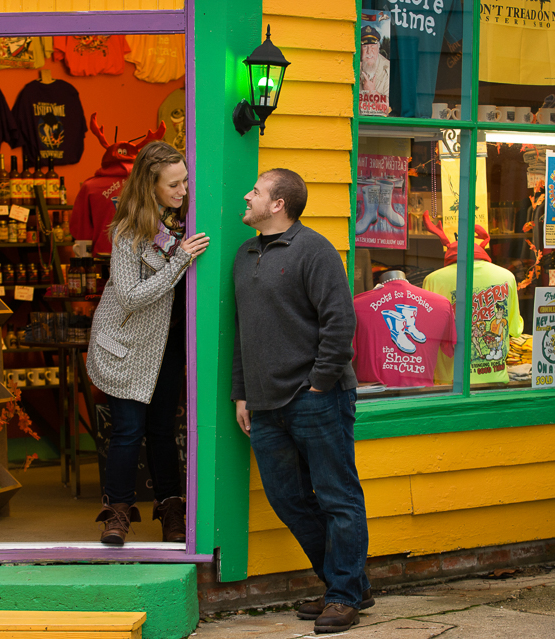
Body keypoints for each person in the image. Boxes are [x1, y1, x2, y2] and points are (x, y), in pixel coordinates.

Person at [232, 169, 374, 633]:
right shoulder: (245, 254)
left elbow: (340, 323)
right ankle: (347, 583)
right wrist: (242, 393)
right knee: (289, 500)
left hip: (317, 399)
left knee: (338, 497)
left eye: (255, 191)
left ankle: (344, 596)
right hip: (265, 404)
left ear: (278, 204)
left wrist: (319, 383)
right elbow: (243, 334)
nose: (247, 196)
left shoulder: (314, 250)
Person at [87, 141, 209, 546]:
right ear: (150, 186)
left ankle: (171, 510)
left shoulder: (185, 222)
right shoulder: (128, 233)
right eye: (173, 185)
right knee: (127, 430)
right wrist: (180, 262)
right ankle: (117, 514)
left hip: (169, 344)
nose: (182, 191)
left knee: (162, 429)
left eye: (185, 181)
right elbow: (131, 297)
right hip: (128, 345)